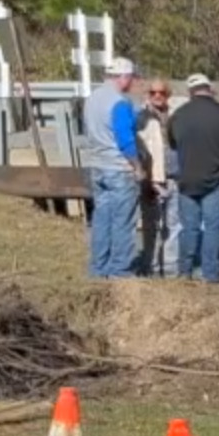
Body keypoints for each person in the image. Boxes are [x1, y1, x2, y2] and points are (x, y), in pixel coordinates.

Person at [167, 73, 219, 285]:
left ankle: (184, 273)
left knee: (189, 228)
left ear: (190, 92)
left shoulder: (179, 115)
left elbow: (173, 143)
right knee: (213, 228)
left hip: (187, 181)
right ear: (210, 89)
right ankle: (210, 275)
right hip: (217, 180)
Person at [78, 58, 143, 279]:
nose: (133, 82)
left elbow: (103, 125)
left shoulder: (92, 99)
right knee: (123, 222)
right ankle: (120, 271)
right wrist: (137, 166)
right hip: (119, 168)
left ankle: (97, 269)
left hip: (97, 166)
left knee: (101, 220)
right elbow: (125, 139)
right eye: (132, 78)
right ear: (123, 77)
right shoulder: (119, 102)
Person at [136, 78, 183, 278]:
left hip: (175, 178)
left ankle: (171, 269)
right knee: (151, 226)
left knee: (174, 226)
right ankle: (151, 268)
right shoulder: (140, 117)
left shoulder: (176, 115)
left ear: (167, 95)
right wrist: (145, 178)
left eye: (161, 93)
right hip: (153, 180)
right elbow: (137, 149)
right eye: (153, 92)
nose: (157, 96)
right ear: (147, 95)